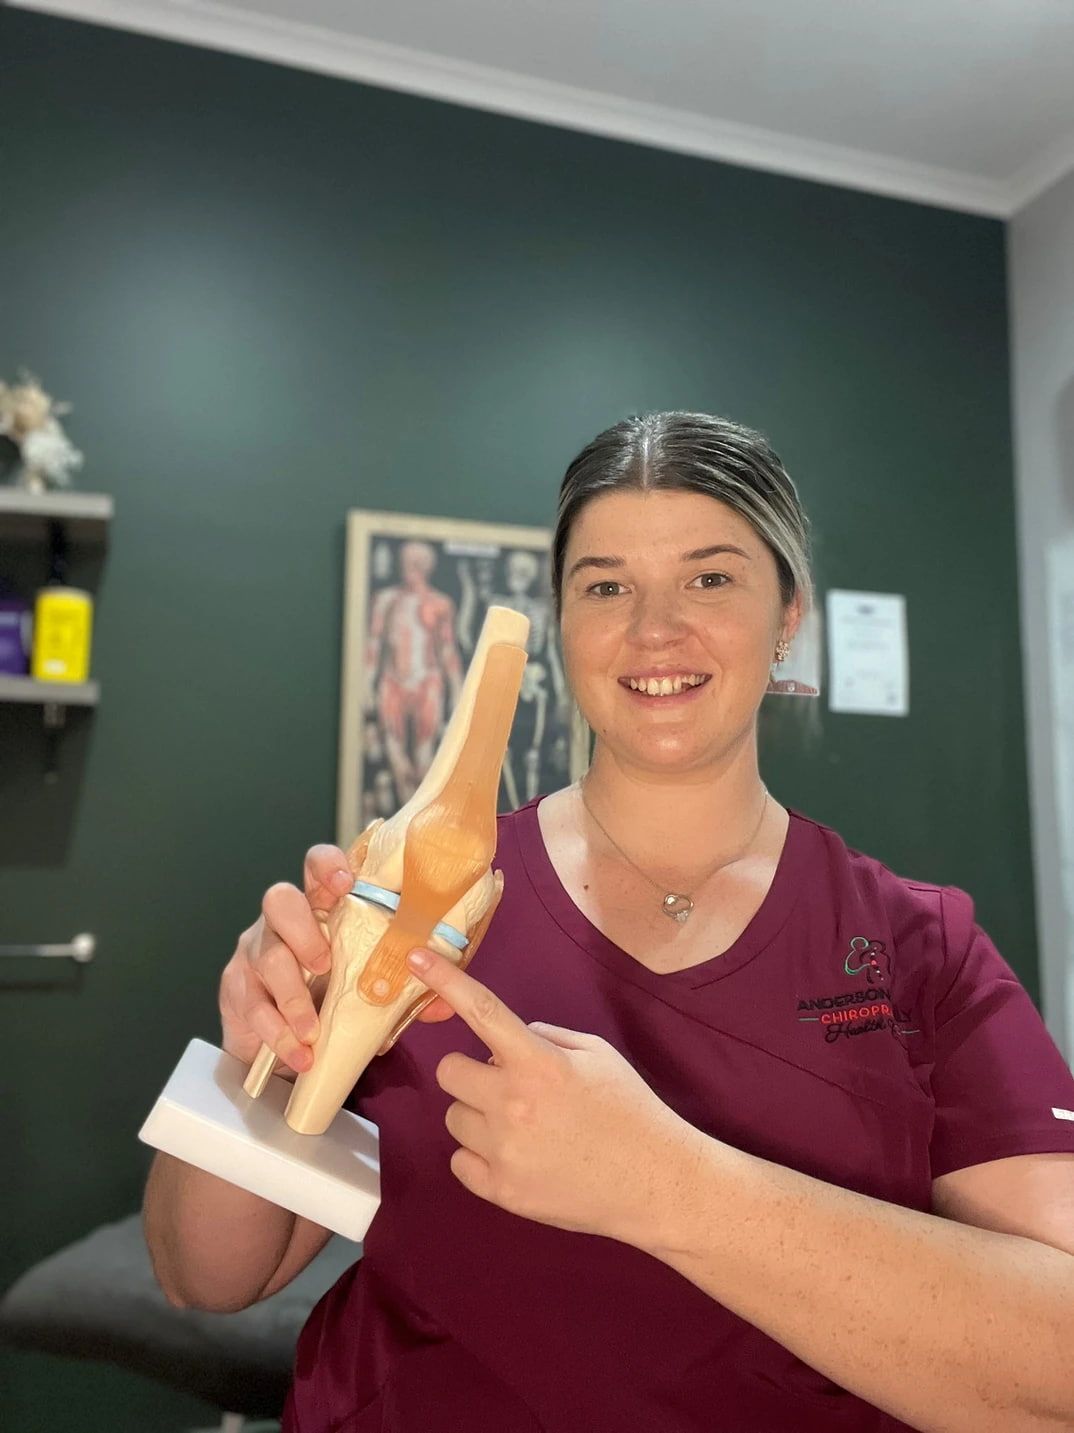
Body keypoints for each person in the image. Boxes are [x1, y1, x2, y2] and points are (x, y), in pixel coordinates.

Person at [144, 413, 1074, 1432]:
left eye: (711, 578)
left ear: (790, 615)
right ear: (560, 622)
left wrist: (667, 1184)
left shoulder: (918, 946)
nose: (655, 630)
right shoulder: (425, 896)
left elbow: (1052, 1369)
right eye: (605, 585)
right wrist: (252, 1056)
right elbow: (206, 1275)